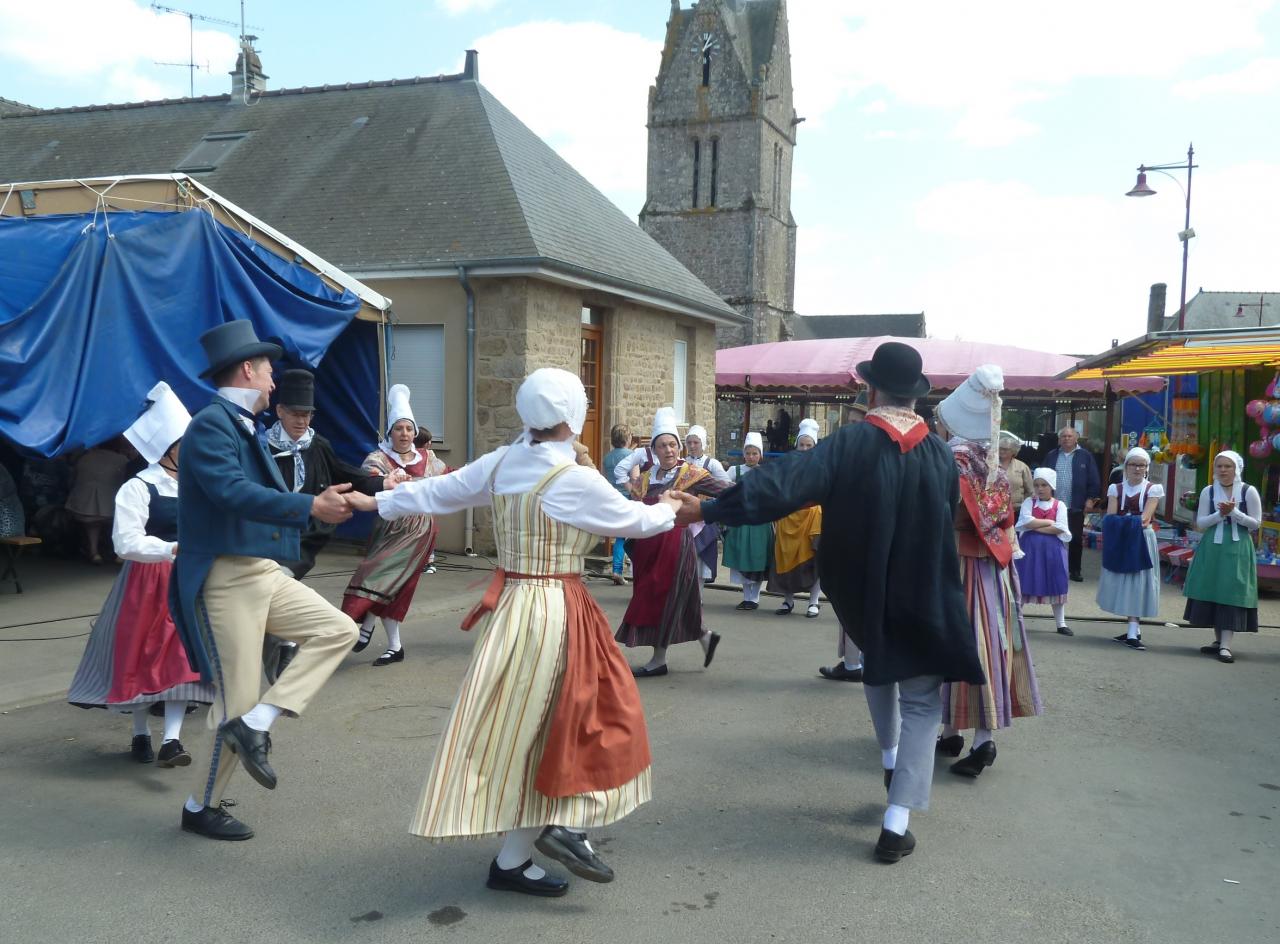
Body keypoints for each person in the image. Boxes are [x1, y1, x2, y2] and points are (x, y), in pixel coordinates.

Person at [345, 368, 678, 897]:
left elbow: (437, 492)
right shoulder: (572, 478)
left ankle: (516, 857)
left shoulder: (502, 463)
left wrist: (376, 502)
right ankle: (567, 821)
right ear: (572, 416)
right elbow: (636, 521)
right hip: (557, 610)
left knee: (527, 729)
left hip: (513, 609)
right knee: (590, 717)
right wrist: (673, 506)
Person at [675, 341, 985, 864]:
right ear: (915, 395)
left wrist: (709, 506)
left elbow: (784, 484)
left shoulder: (852, 443)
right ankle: (896, 820)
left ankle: (888, 756)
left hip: (866, 588)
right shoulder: (938, 453)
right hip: (927, 589)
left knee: (878, 666)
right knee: (921, 700)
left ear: (871, 387)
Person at [170, 320, 357, 841]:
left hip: (262, 573)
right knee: (236, 703)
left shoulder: (236, 424)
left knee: (339, 630)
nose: (274, 382)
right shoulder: (210, 424)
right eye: (270, 371)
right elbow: (230, 492)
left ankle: (260, 724)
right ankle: (199, 806)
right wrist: (309, 505)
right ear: (248, 370)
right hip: (225, 581)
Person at [68, 382, 214, 767]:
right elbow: (124, 542)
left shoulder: (197, 485)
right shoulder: (138, 487)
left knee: (183, 658)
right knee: (139, 657)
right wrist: (169, 549)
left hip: (187, 581)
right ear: (169, 446)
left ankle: (171, 740)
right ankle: (139, 733)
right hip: (146, 581)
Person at [935, 365, 1042, 779]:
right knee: (992, 643)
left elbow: (947, 515)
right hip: (995, 568)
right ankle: (952, 730)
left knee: (966, 646)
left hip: (959, 564)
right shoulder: (992, 460)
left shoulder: (953, 461)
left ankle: (982, 738)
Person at [616, 407, 728, 676]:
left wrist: (708, 510)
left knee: (664, 598)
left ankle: (658, 660)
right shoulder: (644, 478)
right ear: (654, 450)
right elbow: (638, 509)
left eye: (673, 444)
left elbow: (725, 491)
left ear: (679, 447)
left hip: (676, 547)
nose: (669, 450)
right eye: (663, 445)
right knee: (677, 601)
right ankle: (705, 637)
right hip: (648, 549)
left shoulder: (691, 475)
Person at [341, 385, 446, 666]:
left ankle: (364, 626)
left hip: (418, 530)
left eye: (408, 429)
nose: (404, 434)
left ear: (415, 433)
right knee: (389, 584)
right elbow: (369, 481)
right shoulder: (378, 459)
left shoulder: (429, 460)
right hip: (388, 527)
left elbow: (448, 481)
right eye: (398, 428)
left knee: (383, 578)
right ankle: (389, 642)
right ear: (390, 432)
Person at [267, 369, 395, 579]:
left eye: (306, 414)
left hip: (301, 544)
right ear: (280, 411)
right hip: (266, 540)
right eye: (295, 414)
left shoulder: (318, 445)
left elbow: (346, 473)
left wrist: (383, 483)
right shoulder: (264, 446)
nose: (301, 421)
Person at [1182, 451, 1261, 664]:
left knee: (1231, 590)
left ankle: (1226, 645)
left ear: (1237, 469)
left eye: (1228, 466)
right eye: (1219, 466)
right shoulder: (1209, 491)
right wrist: (1221, 514)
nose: (1223, 470)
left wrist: (1235, 513)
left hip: (1237, 547)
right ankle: (1218, 641)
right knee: (1215, 589)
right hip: (1213, 547)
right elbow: (1201, 523)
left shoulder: (1248, 491)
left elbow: (1256, 523)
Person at [819, 402, 868, 682]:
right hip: (848, 537)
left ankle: (855, 665)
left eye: (857, 421)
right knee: (850, 605)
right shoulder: (846, 452)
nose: (851, 427)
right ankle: (852, 662)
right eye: (849, 421)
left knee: (858, 604)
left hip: (861, 540)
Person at [1096, 447, 1163, 651]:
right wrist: (1125, 521)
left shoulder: (1153, 489)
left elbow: (1145, 519)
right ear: (1125, 467)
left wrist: (1123, 520)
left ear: (1146, 468)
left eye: (1141, 465)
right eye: (1133, 464)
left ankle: (1133, 630)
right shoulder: (1115, 489)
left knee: (1137, 582)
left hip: (1142, 540)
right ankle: (1133, 628)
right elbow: (1110, 517)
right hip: (1123, 539)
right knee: (1125, 583)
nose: (1137, 468)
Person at [768, 418, 823, 618]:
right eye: (802, 444)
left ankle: (814, 601)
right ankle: (788, 600)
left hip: (813, 518)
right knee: (785, 557)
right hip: (789, 517)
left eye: (809, 445)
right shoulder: (787, 465)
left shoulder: (822, 467)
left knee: (815, 559)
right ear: (796, 445)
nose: (805, 448)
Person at [1014, 468, 1073, 635]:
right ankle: (1016, 618)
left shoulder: (1059, 505)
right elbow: (1025, 521)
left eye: (1044, 485)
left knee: (1056, 580)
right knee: (1024, 580)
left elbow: (1060, 528)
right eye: (1037, 485)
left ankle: (1061, 623)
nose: (1039, 488)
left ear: (1051, 486)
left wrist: (1034, 526)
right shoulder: (1029, 502)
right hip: (1029, 549)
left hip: (1053, 550)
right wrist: (1048, 521)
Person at [719, 432, 772, 611]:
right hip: (740, 520)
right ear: (744, 454)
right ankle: (746, 596)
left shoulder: (766, 472)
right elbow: (722, 488)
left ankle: (754, 597)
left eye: (755, 453)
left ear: (760, 455)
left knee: (757, 557)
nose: (751, 457)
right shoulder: (735, 471)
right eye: (748, 453)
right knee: (742, 556)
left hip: (759, 521)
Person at [1043, 426, 1101, 582]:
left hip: (1075, 504)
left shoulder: (1085, 456)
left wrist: (1090, 499)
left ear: (1076, 438)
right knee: (1053, 538)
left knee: (1075, 539)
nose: (1066, 438)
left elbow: (1094, 481)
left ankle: (1075, 570)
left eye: (1069, 436)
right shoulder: (1052, 455)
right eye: (1063, 436)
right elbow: (1042, 479)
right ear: (1059, 439)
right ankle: (1052, 569)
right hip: (1053, 505)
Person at [65, 439, 131, 563]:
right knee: (120, 523)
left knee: (93, 525)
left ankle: (94, 552)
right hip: (112, 506)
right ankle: (119, 554)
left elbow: (73, 479)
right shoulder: (122, 460)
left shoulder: (85, 457)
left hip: (83, 505)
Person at [602, 424, 633, 585]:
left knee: (619, 535)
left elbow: (605, 478)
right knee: (624, 537)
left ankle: (618, 568)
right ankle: (618, 569)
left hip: (612, 497)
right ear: (627, 438)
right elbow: (634, 479)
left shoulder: (607, 457)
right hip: (627, 497)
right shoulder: (631, 455)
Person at [999, 432, 1034, 511]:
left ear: (1013, 451)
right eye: (1000, 448)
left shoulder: (1022, 467)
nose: (1002, 451)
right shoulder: (992, 465)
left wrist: (1024, 504)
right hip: (995, 510)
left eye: (1005, 449)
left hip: (1017, 509)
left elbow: (1030, 490)